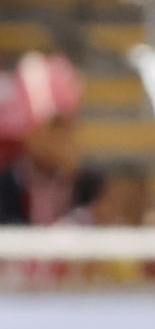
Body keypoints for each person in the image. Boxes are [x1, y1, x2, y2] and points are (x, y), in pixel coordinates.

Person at [0, 53, 98, 225]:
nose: (63, 136)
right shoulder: (9, 182)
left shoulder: (89, 186)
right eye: (56, 125)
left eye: (66, 125)